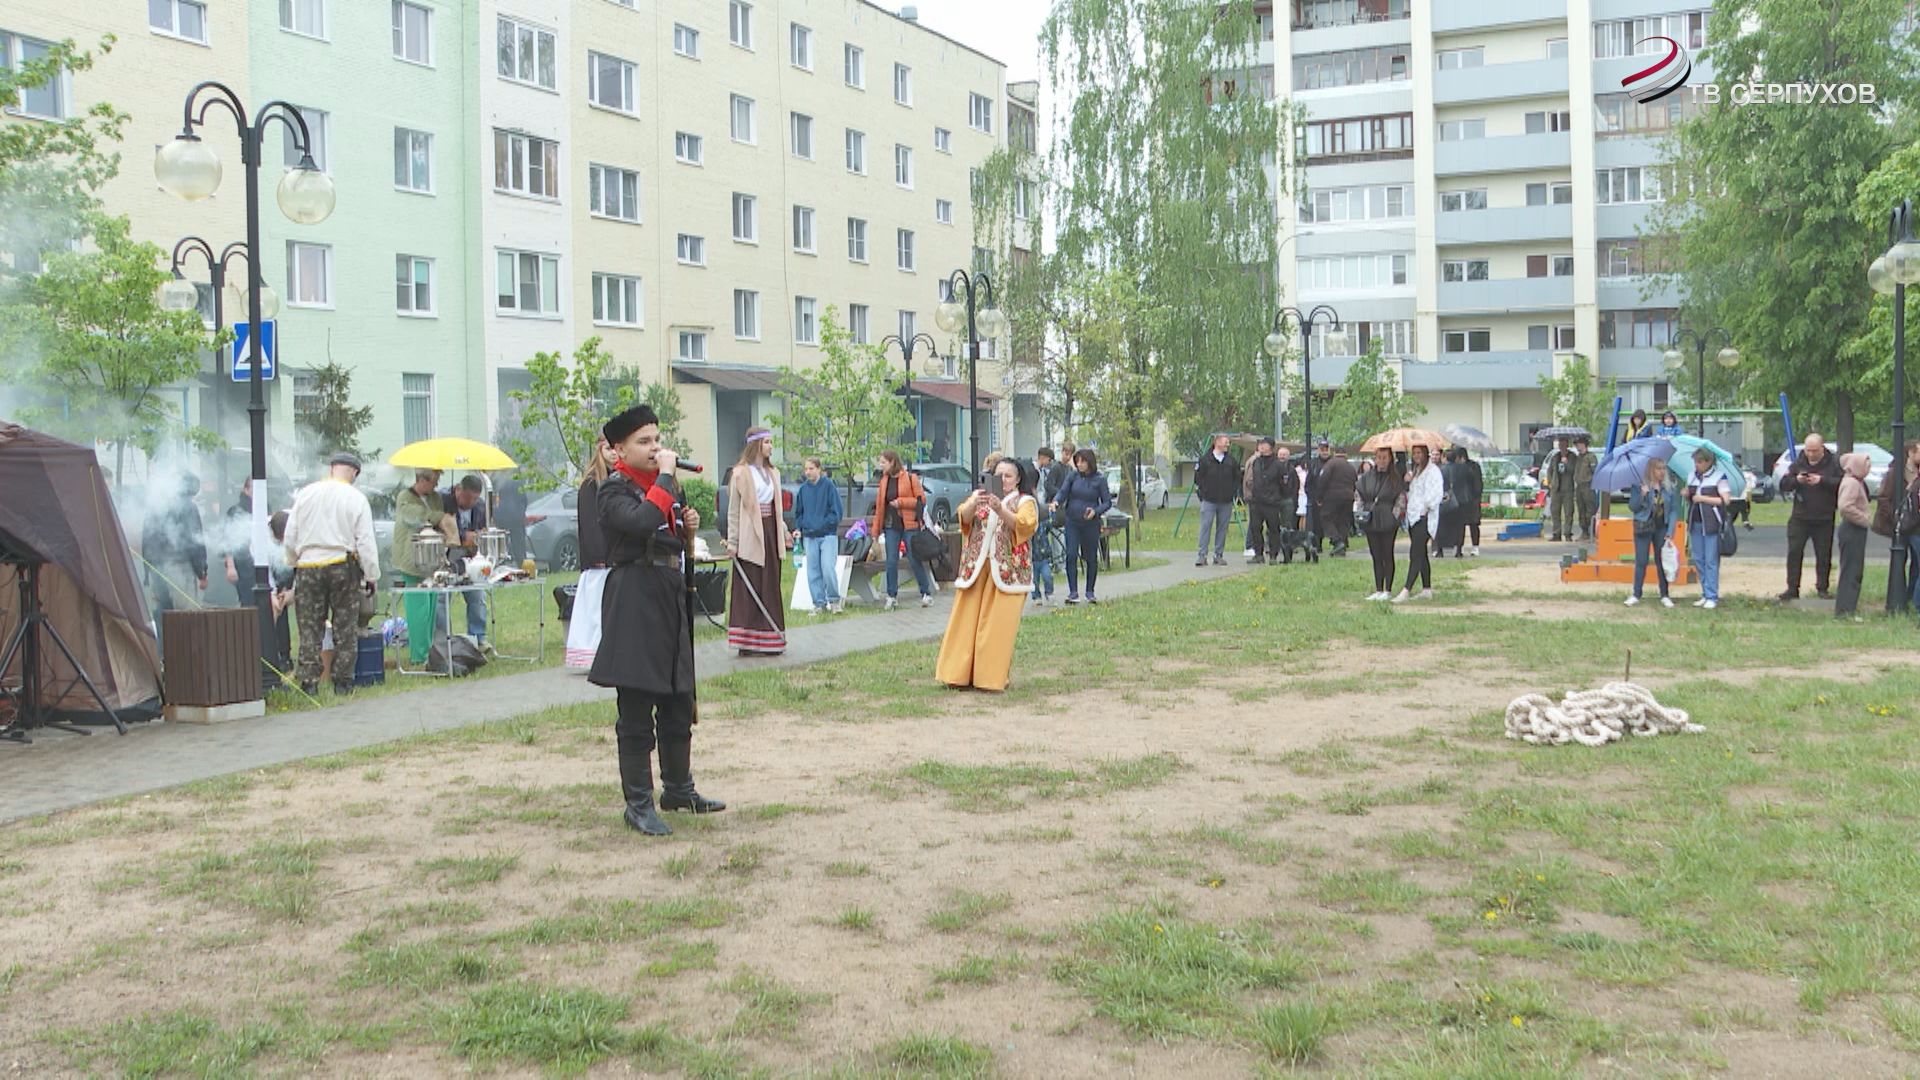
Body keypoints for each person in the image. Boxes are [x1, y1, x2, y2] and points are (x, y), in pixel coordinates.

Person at [590, 404, 722, 836]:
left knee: (677, 698)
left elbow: (665, 527)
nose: (655, 449)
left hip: (667, 596)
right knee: (636, 706)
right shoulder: (613, 491)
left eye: (657, 440)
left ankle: (679, 788)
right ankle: (639, 804)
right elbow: (643, 520)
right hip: (633, 599)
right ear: (619, 451)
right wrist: (666, 481)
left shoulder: (667, 489)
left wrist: (687, 528)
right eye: (644, 442)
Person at [935, 457, 1039, 691]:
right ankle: (957, 674)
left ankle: (989, 678)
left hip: (1008, 572)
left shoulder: (1025, 501)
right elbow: (963, 517)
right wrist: (974, 504)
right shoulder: (978, 497)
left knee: (996, 627)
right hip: (977, 569)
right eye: (998, 475)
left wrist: (1001, 509)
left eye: (1008, 476)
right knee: (965, 623)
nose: (1003, 480)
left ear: (1018, 479)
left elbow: (1025, 526)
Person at [282, 452, 379, 695]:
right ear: (354, 472)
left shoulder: (306, 494)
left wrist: (294, 561)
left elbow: (290, 535)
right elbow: (365, 541)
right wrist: (371, 574)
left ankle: (309, 683)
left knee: (309, 627)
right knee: (344, 627)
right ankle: (343, 682)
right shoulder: (356, 498)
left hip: (308, 566)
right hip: (341, 564)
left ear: (332, 468)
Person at [723, 427, 789, 655]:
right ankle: (748, 642)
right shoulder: (740, 473)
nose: (771, 446)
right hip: (750, 535)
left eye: (772, 442)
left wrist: (783, 530)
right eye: (767, 442)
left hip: (770, 533)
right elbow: (733, 511)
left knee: (770, 584)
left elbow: (776, 508)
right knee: (750, 586)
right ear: (756, 445)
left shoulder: (774, 474)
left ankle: (771, 639)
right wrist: (733, 542)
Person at [391, 467, 454, 665]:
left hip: (432, 560)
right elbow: (417, 517)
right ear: (423, 479)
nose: (436, 484)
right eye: (434, 479)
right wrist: (437, 517)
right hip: (411, 561)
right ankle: (418, 656)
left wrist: (436, 517)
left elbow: (436, 514)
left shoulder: (435, 497)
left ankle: (430, 650)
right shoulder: (404, 497)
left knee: (431, 607)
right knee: (418, 609)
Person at [565, 439, 617, 671]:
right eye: (608, 449)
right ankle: (591, 655)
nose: (613, 454)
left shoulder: (617, 481)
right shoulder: (590, 484)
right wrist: (600, 555)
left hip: (614, 557)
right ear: (600, 450)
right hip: (599, 560)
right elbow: (589, 524)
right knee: (595, 611)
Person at [144, 471, 209, 649]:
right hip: (180, 567)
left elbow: (147, 539)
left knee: (162, 615)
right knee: (185, 616)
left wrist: (147, 572)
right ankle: (186, 656)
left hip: (157, 568)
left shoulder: (156, 505)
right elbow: (194, 541)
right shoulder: (188, 507)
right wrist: (202, 571)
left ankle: (163, 658)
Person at [1777, 432, 1843, 601]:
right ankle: (1792, 588)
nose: (1811, 454)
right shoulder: (1798, 462)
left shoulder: (1834, 463)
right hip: (1800, 516)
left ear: (1822, 448)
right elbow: (1783, 485)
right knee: (1794, 552)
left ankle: (1822, 588)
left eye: (1814, 450)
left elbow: (1842, 483)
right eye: (1808, 450)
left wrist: (1822, 480)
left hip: (1824, 517)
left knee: (1823, 554)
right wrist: (1797, 480)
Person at [871, 449, 935, 609]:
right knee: (891, 560)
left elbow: (921, 500)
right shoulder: (884, 481)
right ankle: (892, 595)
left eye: (883, 462)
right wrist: (875, 531)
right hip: (891, 525)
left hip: (909, 524)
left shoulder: (910, 478)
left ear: (892, 462)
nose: (881, 465)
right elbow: (879, 507)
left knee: (914, 558)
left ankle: (925, 593)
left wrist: (901, 502)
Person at [1054, 448, 1113, 604]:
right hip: (1072, 521)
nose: (1079, 464)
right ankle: (1073, 592)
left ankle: (1090, 591)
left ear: (1090, 462)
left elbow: (1107, 502)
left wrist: (1096, 511)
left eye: (1083, 461)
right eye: (1077, 461)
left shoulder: (1099, 480)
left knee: (1091, 557)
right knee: (1071, 554)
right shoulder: (1072, 476)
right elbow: (1063, 492)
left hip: (1090, 524)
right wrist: (1056, 501)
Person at [443, 474, 492, 649]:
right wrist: (463, 536)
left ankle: (478, 637)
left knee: (477, 595)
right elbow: (442, 528)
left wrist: (479, 536)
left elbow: (483, 529)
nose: (471, 502)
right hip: (448, 557)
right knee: (442, 598)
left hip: (471, 558)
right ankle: (443, 640)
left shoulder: (480, 507)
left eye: (475, 498)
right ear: (458, 490)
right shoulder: (444, 501)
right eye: (467, 497)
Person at [792, 456, 844, 615]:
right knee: (813, 571)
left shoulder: (829, 486)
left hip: (827, 534)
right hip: (809, 536)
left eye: (811, 468)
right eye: (806, 469)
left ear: (819, 469)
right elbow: (799, 513)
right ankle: (818, 603)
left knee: (828, 567)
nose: (807, 472)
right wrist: (799, 528)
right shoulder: (803, 490)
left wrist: (822, 525)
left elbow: (836, 513)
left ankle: (834, 601)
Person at [1682, 447, 1731, 610]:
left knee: (1711, 560)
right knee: (1698, 559)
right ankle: (1705, 592)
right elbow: (1691, 498)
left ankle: (1712, 595)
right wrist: (1687, 494)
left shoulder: (1719, 477)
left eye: (1700, 461)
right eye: (1695, 462)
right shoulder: (1691, 476)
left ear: (1709, 462)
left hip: (1711, 523)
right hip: (1694, 521)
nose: (1697, 465)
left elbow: (1725, 500)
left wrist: (1702, 498)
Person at [1355, 446, 1406, 600]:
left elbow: (1400, 499)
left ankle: (1388, 589)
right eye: (1379, 457)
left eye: (1385, 457)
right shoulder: (1367, 477)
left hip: (1388, 519)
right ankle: (1378, 588)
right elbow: (1359, 494)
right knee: (1375, 554)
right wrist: (1361, 510)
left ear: (1390, 459)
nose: (1381, 461)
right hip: (1371, 517)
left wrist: (1395, 517)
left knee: (1387, 554)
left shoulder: (1395, 478)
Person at [1874, 440, 1920, 607]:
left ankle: (1911, 597)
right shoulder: (1895, 472)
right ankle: (1898, 599)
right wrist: (1895, 520)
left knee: (1917, 563)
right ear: (1911, 453)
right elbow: (1884, 497)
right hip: (1900, 525)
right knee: (1899, 560)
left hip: (1916, 527)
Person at [1625, 457, 1676, 608]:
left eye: (1663, 468)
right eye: (1658, 468)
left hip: (1661, 527)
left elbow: (1673, 510)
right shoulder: (1639, 485)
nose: (1662, 472)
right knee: (1642, 560)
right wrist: (1642, 494)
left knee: (1662, 561)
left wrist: (1670, 530)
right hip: (1644, 525)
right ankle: (1636, 593)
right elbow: (1633, 507)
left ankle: (1665, 594)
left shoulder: (1668, 488)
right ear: (1651, 470)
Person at [1393, 444, 1441, 603]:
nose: (1416, 456)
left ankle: (1406, 589)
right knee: (1421, 554)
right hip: (1413, 517)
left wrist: (1426, 508)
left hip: (1424, 517)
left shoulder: (1433, 471)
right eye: (1414, 453)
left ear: (1426, 453)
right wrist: (1408, 480)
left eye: (1419, 452)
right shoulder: (1416, 472)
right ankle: (1427, 588)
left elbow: (1435, 494)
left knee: (1415, 553)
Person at [1834, 452, 1873, 620]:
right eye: (1866, 465)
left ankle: (1848, 607)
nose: (1869, 469)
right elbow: (1845, 507)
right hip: (1852, 529)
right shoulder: (1852, 483)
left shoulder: (1856, 481)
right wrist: (1864, 519)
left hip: (1853, 529)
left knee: (1854, 569)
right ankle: (1845, 610)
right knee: (1851, 570)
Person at [1244, 437, 1293, 564]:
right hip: (1256, 502)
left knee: (1273, 529)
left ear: (1270, 447)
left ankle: (1273, 555)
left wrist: (1278, 497)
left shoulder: (1278, 465)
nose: (1260, 446)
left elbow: (1284, 484)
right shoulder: (1256, 462)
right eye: (1260, 444)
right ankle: (1258, 554)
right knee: (1255, 528)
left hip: (1272, 502)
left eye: (1263, 444)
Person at [1193, 434, 1240, 567]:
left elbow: (1237, 478)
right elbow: (1198, 479)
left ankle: (1218, 555)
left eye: (1228, 442)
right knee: (1205, 527)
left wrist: (1233, 493)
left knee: (1222, 528)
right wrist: (1203, 494)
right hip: (1209, 500)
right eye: (1225, 442)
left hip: (1226, 501)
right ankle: (1202, 556)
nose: (1228, 445)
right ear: (1216, 442)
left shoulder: (1231, 461)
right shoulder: (1205, 460)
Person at [1032, 447, 1068, 604]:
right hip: (1034, 557)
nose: (1049, 463)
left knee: (1047, 575)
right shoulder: (1035, 470)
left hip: (1044, 556)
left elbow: (1050, 524)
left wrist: (1052, 511)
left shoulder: (1052, 470)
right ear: (1043, 458)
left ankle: (1049, 592)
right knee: (1034, 578)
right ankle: (1036, 596)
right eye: (1048, 460)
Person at [1315, 439, 1358, 556]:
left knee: (1326, 518)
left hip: (1332, 497)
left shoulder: (1330, 464)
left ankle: (1337, 541)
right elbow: (1355, 482)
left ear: (1334, 454)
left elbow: (1322, 480)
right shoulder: (1351, 467)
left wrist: (1319, 498)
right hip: (1348, 497)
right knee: (1343, 522)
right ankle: (1341, 547)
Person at [220, 477, 256, 608]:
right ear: (246, 489)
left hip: (261, 566)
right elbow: (227, 540)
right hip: (243, 566)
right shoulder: (235, 511)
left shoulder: (265, 508)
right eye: (253, 488)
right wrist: (230, 566)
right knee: (247, 603)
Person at [1435, 448, 1474, 558]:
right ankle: (1458, 550)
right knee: (1460, 526)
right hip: (1461, 501)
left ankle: (1440, 550)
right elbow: (1471, 479)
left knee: (1441, 525)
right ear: (1456, 457)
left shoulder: (1441, 470)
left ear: (1446, 457)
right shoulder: (1464, 468)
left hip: (1446, 500)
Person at [1543, 436, 1576, 541]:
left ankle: (1567, 533)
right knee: (1555, 511)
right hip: (1556, 488)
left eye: (1563, 443)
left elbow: (1574, 470)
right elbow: (1549, 470)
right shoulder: (1555, 457)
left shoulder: (1572, 457)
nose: (1561, 445)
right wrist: (1550, 482)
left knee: (1568, 512)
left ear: (1567, 444)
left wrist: (1567, 464)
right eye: (1560, 443)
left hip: (1568, 489)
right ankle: (1556, 533)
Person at [495, 475, 530, 564]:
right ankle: (522, 566)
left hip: (501, 519)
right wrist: (521, 513)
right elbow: (525, 501)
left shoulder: (501, 485)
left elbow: (498, 501)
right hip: (517, 519)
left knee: (501, 547)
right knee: (519, 547)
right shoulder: (519, 485)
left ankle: (502, 564)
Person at [1571, 435, 1598, 541]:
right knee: (1581, 510)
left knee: (1590, 510)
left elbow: (1595, 471)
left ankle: (1592, 531)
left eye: (1579, 444)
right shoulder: (1578, 458)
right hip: (1579, 486)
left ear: (1584, 444)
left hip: (1588, 486)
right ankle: (1584, 532)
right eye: (1576, 444)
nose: (1577, 446)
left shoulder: (1590, 457)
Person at [1462, 451, 1486, 556]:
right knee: (1460, 526)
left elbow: (1478, 484)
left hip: (1472, 500)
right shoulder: (1457, 466)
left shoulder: (1473, 466)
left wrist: (1476, 497)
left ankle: (1475, 546)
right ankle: (1460, 546)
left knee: (1473, 525)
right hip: (1463, 500)